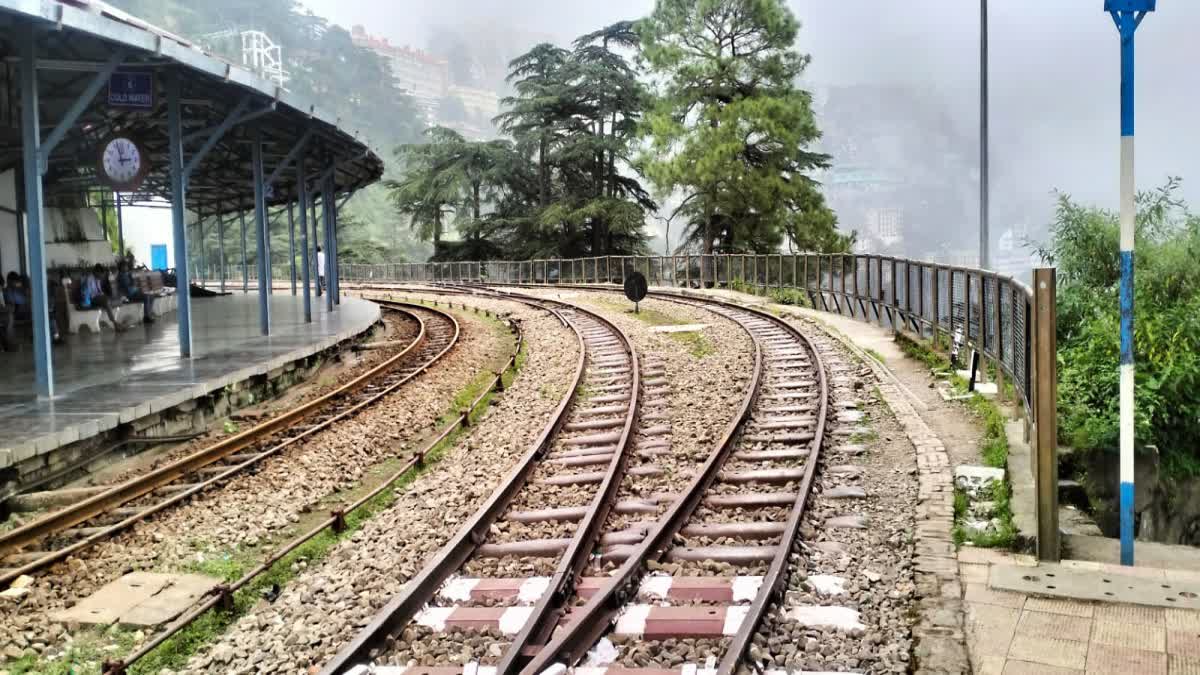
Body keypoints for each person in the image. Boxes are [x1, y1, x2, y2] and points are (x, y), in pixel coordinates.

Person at [81, 264, 122, 331]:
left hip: (98, 297)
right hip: (92, 299)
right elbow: (91, 294)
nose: (102, 276)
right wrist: (102, 296)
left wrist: (104, 295)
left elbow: (99, 290)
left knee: (114, 299)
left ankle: (115, 322)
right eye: (101, 274)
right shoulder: (89, 279)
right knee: (106, 301)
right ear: (96, 272)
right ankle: (115, 323)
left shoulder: (97, 279)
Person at [117, 260, 155, 324]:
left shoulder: (126, 274)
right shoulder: (121, 276)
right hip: (129, 295)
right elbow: (128, 288)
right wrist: (134, 284)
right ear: (121, 267)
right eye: (125, 266)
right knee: (147, 296)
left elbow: (134, 284)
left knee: (151, 295)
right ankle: (146, 316)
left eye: (126, 266)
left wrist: (135, 284)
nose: (126, 267)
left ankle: (149, 314)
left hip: (134, 292)